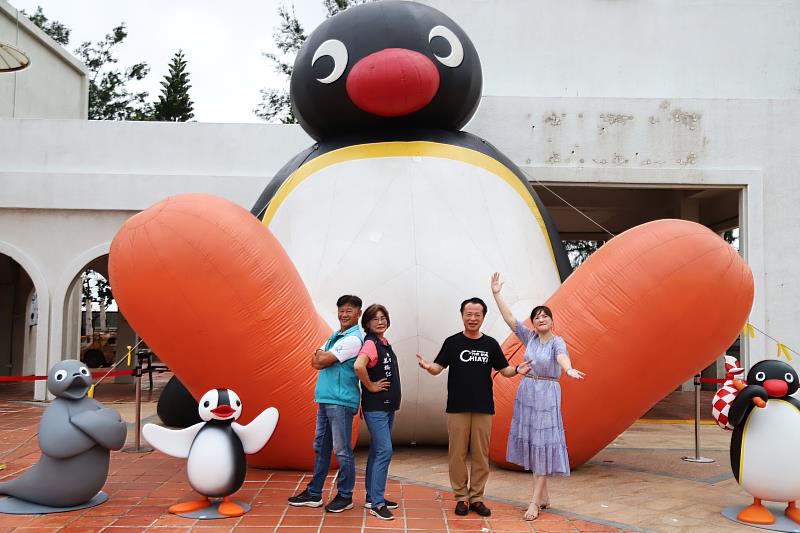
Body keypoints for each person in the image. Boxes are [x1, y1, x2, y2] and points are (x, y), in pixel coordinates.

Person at [416, 297, 529, 518]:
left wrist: (517, 369)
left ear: (483, 317)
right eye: (469, 314)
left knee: (480, 454)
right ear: (462, 315)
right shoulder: (452, 342)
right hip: (457, 407)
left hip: (483, 407)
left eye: (477, 314)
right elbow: (438, 368)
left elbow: (504, 370)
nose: (473, 318)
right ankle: (461, 498)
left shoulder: (490, 344)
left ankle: (477, 498)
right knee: (456, 454)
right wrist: (428, 366)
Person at [490, 272, 585, 521]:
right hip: (527, 393)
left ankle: (534, 502)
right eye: (537, 317)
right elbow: (510, 319)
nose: (540, 319)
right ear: (533, 323)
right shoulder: (529, 337)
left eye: (545, 316)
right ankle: (543, 495)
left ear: (552, 322)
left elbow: (562, 356)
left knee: (542, 445)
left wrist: (568, 369)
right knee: (534, 445)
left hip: (546, 395)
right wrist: (497, 294)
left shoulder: (557, 341)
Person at [288, 295, 364, 513]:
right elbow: (315, 360)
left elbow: (320, 359)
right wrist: (322, 356)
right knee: (320, 448)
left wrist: (322, 356)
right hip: (326, 399)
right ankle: (314, 493)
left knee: (342, 450)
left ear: (358, 313)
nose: (344, 314)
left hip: (340, 401)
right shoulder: (335, 336)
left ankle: (345, 495)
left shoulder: (353, 339)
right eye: (341, 310)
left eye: (349, 310)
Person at [353, 304, 401, 521]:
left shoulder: (383, 343)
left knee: (376, 451)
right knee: (384, 451)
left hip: (386, 406)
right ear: (367, 324)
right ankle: (377, 503)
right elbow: (358, 366)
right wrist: (371, 386)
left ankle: (373, 497)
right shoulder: (371, 343)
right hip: (377, 407)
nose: (380, 322)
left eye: (383, 318)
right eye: (375, 319)